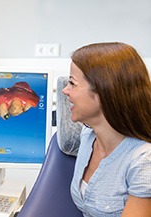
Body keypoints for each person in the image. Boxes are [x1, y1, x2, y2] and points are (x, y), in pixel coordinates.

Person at [62, 42, 151, 216]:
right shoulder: (88, 135)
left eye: (72, 83)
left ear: (104, 91)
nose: (65, 90)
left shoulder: (142, 161)